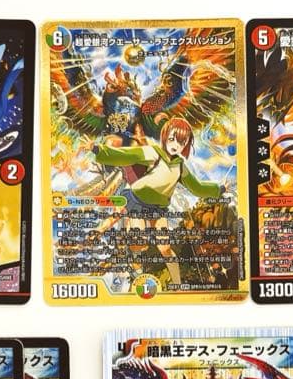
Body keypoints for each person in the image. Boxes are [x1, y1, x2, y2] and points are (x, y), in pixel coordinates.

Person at [92, 117, 222, 286]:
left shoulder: (180, 167)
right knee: (138, 240)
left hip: (158, 209)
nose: (175, 144)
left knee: (165, 248)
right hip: (138, 201)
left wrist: (219, 190)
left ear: (186, 145)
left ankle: (178, 285)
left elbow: (197, 187)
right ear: (165, 136)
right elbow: (127, 155)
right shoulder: (153, 152)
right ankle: (136, 264)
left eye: (181, 142)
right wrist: (98, 150)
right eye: (172, 138)